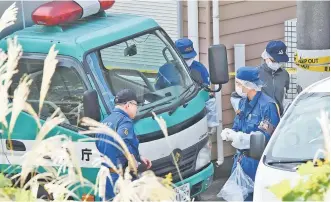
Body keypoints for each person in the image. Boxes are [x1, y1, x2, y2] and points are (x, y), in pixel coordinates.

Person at [221, 67, 280, 201]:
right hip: (241, 161)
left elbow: (266, 137)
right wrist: (230, 133)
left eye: (239, 84)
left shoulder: (268, 106)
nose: (237, 87)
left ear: (248, 86)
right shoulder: (243, 103)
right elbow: (238, 125)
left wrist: (241, 138)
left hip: (257, 164)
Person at [95, 89, 152, 200]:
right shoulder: (124, 120)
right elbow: (121, 141)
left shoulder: (103, 123)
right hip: (120, 178)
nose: (137, 109)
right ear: (128, 105)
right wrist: (132, 160)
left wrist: (139, 157)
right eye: (135, 105)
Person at [259, 40, 290, 115]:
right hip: (260, 119)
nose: (278, 63)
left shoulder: (285, 74)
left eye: (280, 60)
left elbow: (284, 95)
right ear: (266, 57)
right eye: (275, 60)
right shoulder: (256, 74)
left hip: (279, 118)